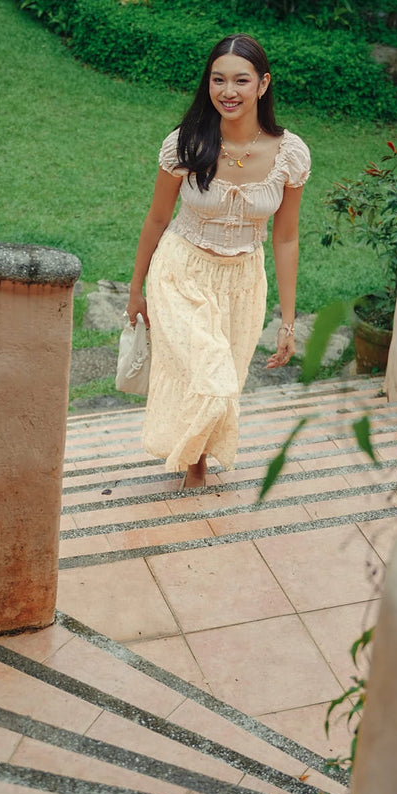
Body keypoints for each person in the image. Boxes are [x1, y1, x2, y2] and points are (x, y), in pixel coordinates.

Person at [126, 33, 310, 488]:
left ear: (262, 85)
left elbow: (286, 239)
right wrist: (135, 290)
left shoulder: (290, 154)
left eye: (241, 80)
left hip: (243, 283)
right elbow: (156, 218)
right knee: (212, 378)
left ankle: (197, 462)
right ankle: (194, 463)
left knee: (223, 377)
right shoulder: (185, 144)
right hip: (181, 271)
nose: (228, 91)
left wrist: (287, 322)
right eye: (218, 80)